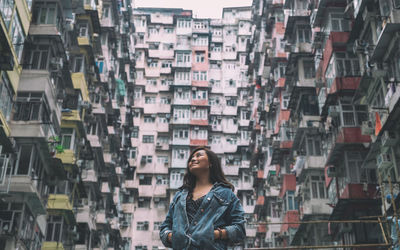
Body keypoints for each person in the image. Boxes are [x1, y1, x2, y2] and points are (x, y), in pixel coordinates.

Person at [159, 147, 246, 249]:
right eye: (191, 157)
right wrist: (172, 237)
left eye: (199, 155)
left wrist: (215, 234)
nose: (193, 159)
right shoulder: (179, 196)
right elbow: (165, 227)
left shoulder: (226, 194)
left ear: (210, 163)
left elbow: (239, 229)